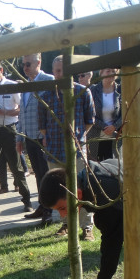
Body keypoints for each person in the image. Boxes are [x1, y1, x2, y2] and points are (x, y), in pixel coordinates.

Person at [38, 55, 95, 240]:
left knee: (82, 189)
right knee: (60, 191)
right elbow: (43, 126)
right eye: (56, 71)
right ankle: (66, 225)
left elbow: (89, 121)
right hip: (54, 151)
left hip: (77, 151)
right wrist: (49, 138)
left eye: (62, 71)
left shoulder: (83, 92)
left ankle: (87, 227)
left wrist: (76, 137)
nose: (58, 75)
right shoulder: (46, 95)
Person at [0, 61, 32, 215]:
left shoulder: (12, 85)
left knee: (16, 167)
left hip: (9, 130)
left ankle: (27, 201)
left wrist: (7, 112)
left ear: (1, 70)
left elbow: (21, 109)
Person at [16, 53, 54, 225]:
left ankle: (49, 210)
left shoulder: (48, 80)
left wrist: (47, 135)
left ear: (39, 62)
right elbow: (22, 114)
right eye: (23, 64)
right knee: (38, 174)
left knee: (47, 175)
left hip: (43, 138)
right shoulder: (26, 85)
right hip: (30, 137)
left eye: (28, 64)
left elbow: (51, 112)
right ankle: (42, 206)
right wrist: (19, 137)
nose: (25, 68)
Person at [88, 69, 122, 161]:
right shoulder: (93, 90)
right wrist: (104, 126)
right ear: (101, 73)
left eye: (113, 71)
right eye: (108, 71)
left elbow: (125, 113)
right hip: (95, 136)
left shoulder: (121, 89)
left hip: (115, 137)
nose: (111, 73)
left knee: (113, 167)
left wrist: (114, 126)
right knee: (95, 166)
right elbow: (89, 114)